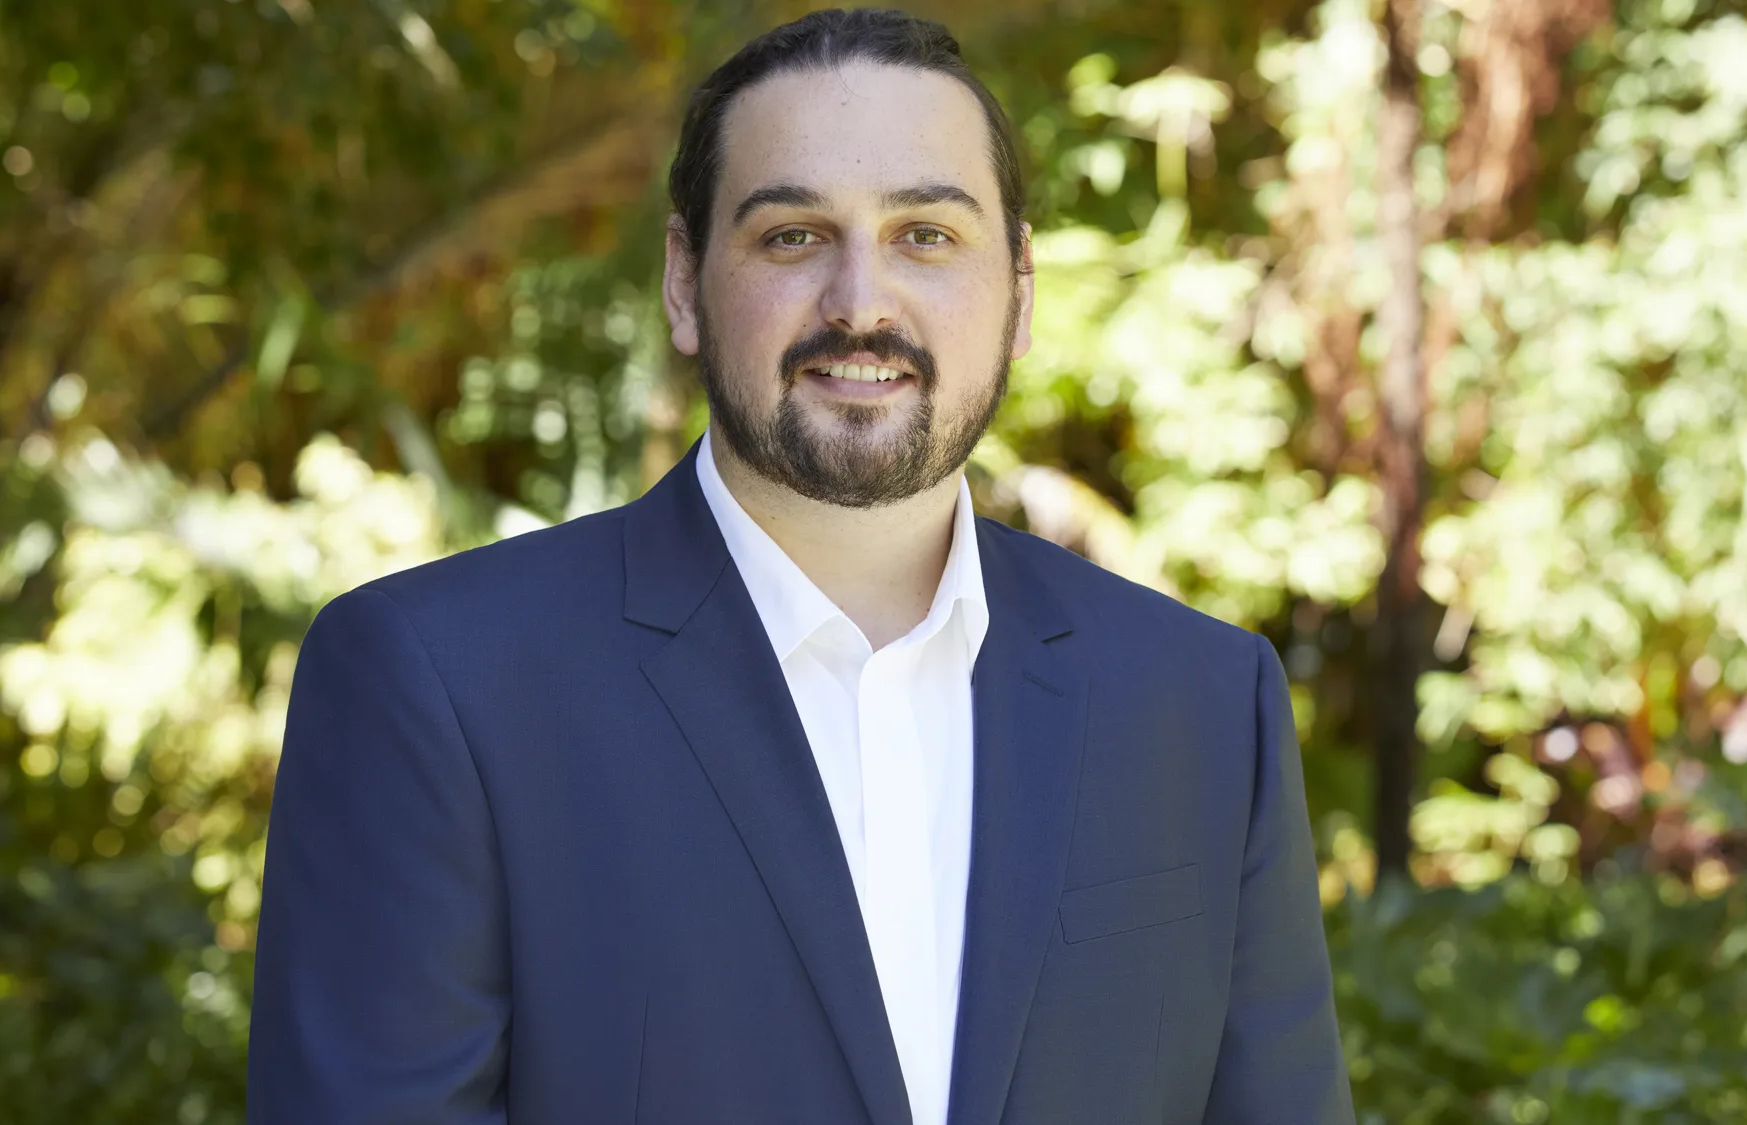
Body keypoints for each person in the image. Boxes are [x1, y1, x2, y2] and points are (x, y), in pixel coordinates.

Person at [247, 8, 1353, 1123]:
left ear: (1018, 287)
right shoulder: (437, 685)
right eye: (791, 236)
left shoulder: (1203, 706)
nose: (860, 304)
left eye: (926, 234)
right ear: (684, 281)